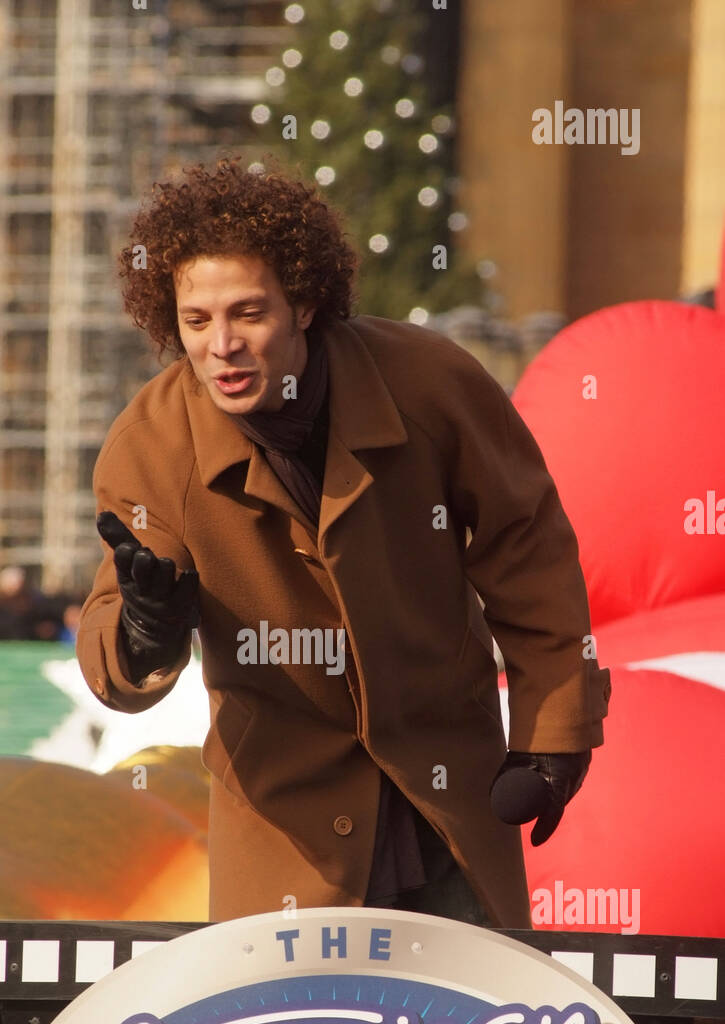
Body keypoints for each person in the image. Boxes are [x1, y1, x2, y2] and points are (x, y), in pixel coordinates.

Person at [76, 157, 611, 930]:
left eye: (248, 313)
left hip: (447, 796)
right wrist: (143, 630)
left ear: (306, 301)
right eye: (197, 321)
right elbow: (115, 669)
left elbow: (528, 553)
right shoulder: (149, 448)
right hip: (284, 827)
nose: (221, 344)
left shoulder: (432, 382)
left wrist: (554, 739)